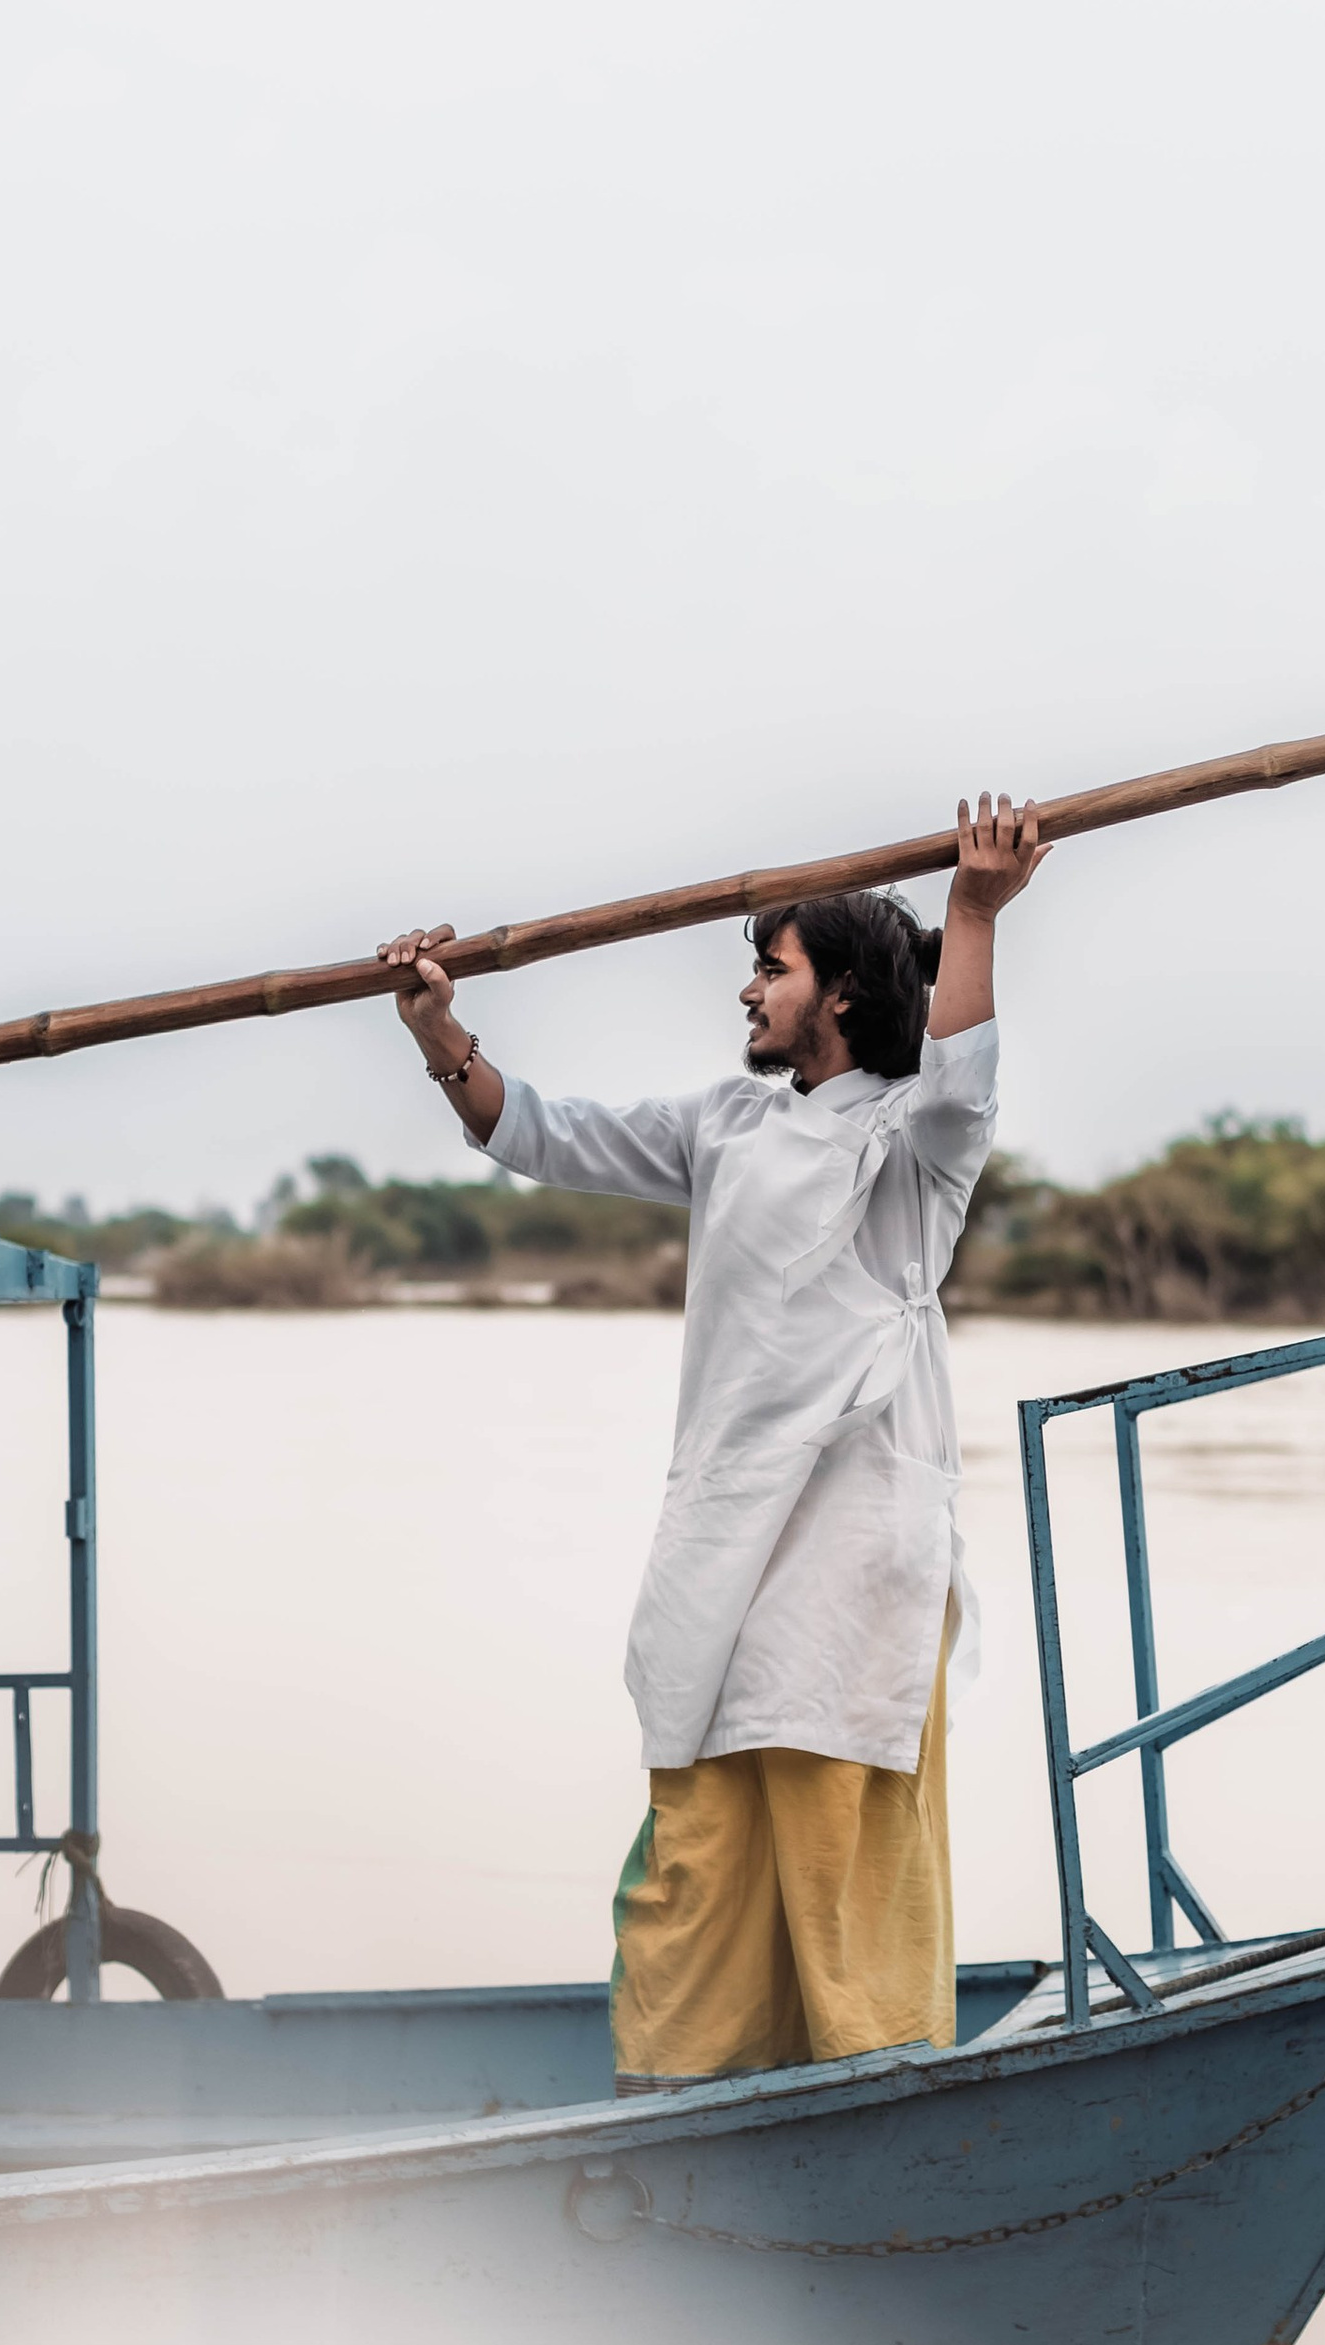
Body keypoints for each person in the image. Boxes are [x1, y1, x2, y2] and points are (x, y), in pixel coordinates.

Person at [381, 796, 1041, 2085]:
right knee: (697, 1850)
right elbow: (542, 1133)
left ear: (840, 993)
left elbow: (964, 1080)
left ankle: (873, 2098)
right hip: (724, 1537)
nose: (747, 991)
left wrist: (971, 912)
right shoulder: (727, 1125)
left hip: (853, 1546)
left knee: (839, 1841)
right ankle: (678, 2103)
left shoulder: (915, 1139)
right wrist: (438, 1033)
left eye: (771, 970)